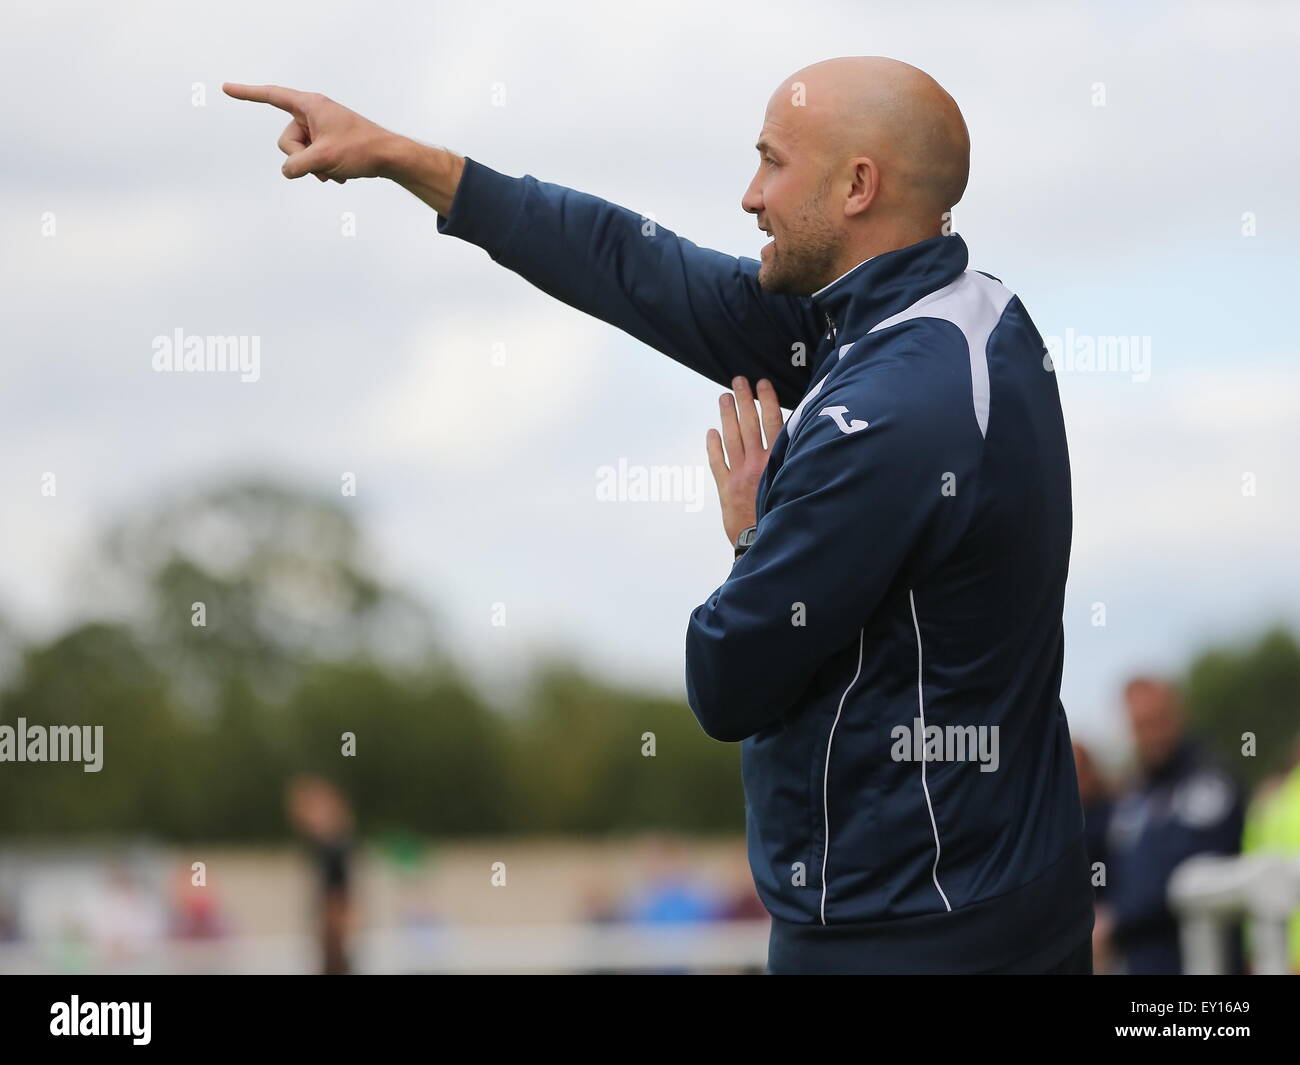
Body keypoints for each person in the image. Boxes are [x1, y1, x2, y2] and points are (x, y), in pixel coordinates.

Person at [226, 55, 1093, 974]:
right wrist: (406, 159)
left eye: (771, 161)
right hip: (984, 900)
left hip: (908, 933)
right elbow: (638, 267)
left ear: (856, 186)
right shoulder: (962, 317)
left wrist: (755, 528)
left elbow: (728, 675)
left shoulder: (889, 409)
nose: (750, 195)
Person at [1101, 677, 1245, 974]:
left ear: (1179, 714)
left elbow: (1185, 870)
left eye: (1158, 721)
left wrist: (1115, 920)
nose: (1150, 734)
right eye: (1139, 725)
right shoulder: (1134, 797)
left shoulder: (1209, 781)